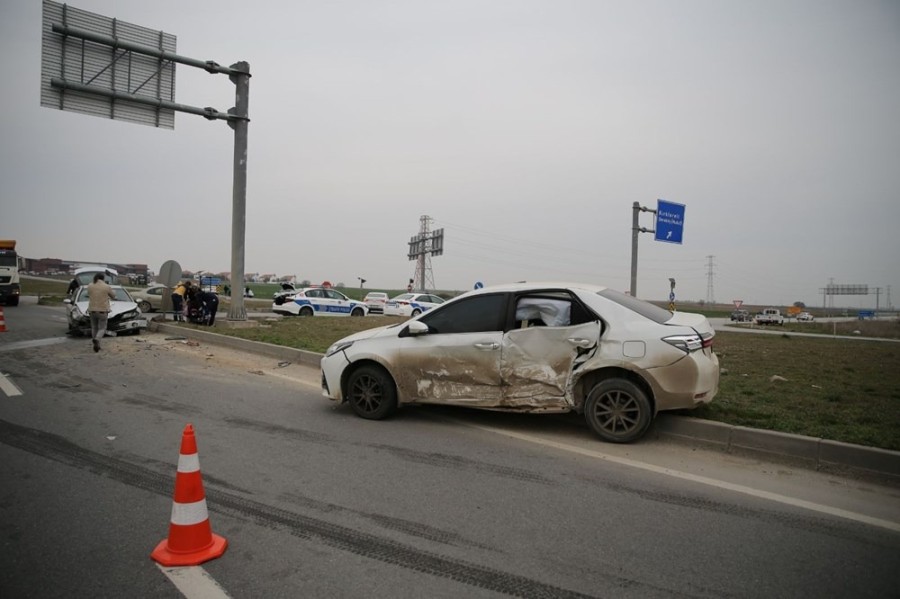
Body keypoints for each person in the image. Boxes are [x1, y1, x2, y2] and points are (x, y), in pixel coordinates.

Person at [87, 272, 116, 352]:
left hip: (92, 310)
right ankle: (97, 339)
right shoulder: (106, 286)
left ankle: (96, 344)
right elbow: (113, 296)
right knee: (102, 328)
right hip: (102, 310)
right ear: (103, 278)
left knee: (94, 327)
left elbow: (89, 294)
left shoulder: (90, 285)